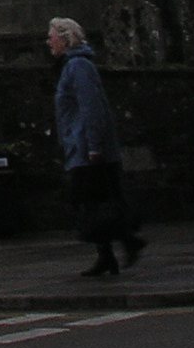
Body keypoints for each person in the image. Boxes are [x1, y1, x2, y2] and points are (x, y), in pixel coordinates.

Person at [48, 16, 144, 277]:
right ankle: (109, 255)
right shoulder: (71, 66)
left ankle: (128, 241)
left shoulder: (78, 66)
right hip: (79, 148)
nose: (49, 42)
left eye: (52, 36)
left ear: (65, 39)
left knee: (95, 203)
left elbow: (91, 109)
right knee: (91, 203)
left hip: (87, 149)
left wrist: (94, 146)